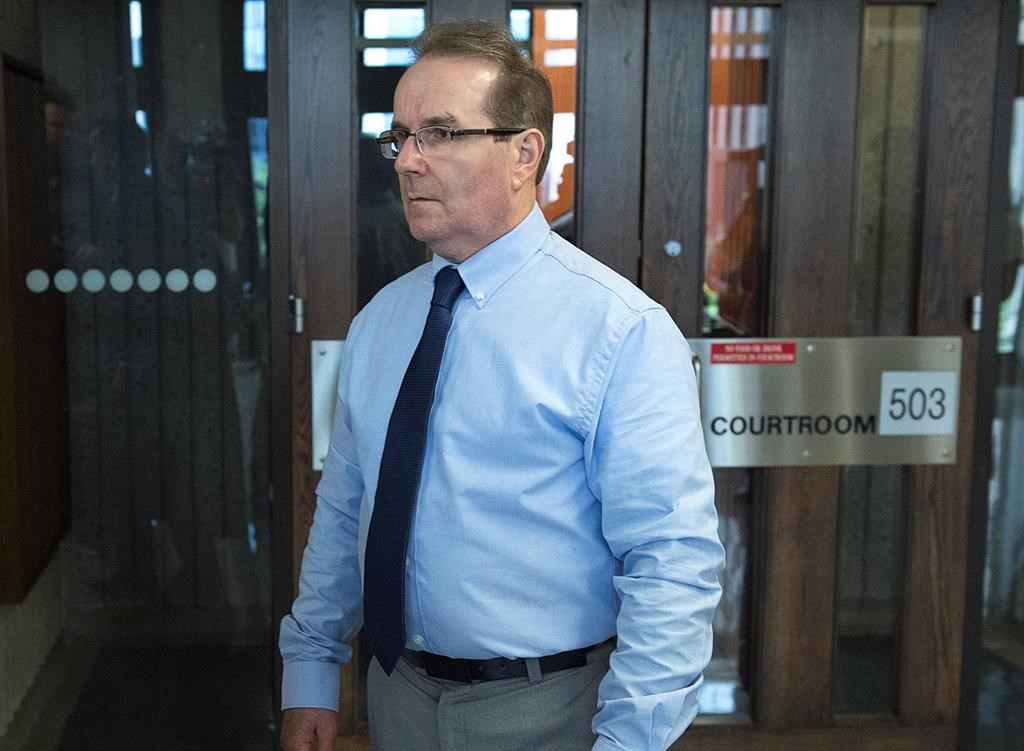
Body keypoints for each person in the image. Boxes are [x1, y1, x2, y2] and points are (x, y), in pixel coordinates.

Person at [279, 19, 724, 751]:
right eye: (401, 137)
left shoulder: (618, 330)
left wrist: (629, 741)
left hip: (550, 708)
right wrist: (310, 670)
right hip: (396, 695)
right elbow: (345, 509)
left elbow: (672, 561)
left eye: (442, 133)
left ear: (525, 153)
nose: (409, 162)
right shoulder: (381, 324)